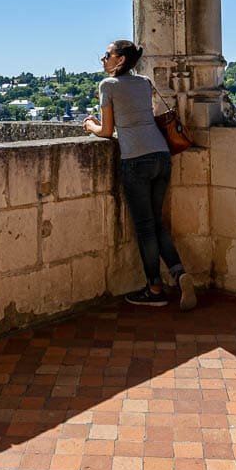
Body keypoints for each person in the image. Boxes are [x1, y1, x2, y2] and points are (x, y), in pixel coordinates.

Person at [82, 40, 197, 310]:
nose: (103, 59)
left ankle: (155, 288)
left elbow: (107, 131)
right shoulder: (144, 83)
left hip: (136, 159)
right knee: (156, 222)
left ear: (120, 59)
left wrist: (90, 125)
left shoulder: (108, 85)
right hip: (161, 155)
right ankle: (179, 273)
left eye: (107, 55)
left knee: (146, 227)